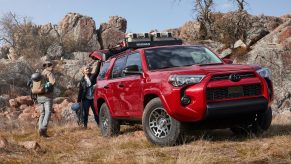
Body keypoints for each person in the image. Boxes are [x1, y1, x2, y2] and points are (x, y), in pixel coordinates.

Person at [35, 60, 56, 137]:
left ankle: (40, 131)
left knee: (42, 113)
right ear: (49, 66)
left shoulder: (40, 73)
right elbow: (53, 82)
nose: (52, 66)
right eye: (51, 65)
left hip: (39, 96)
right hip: (47, 96)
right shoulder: (49, 73)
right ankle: (43, 129)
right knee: (48, 112)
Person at [77, 62, 100, 128]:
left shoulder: (93, 76)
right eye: (86, 69)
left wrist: (99, 62)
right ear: (83, 71)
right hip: (86, 99)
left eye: (88, 69)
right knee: (85, 113)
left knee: (96, 112)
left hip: (93, 98)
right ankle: (85, 126)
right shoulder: (82, 80)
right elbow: (80, 91)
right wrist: (78, 100)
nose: (87, 69)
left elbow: (97, 71)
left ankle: (99, 125)